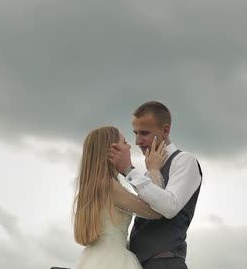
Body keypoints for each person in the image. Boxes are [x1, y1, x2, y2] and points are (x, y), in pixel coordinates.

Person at [108, 101, 203, 269]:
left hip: (164, 262)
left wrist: (129, 170)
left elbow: (169, 208)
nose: (137, 141)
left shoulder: (184, 161)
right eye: (135, 133)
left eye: (144, 133)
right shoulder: (149, 173)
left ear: (165, 130)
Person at [73, 126, 168, 269]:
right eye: (124, 142)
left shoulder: (96, 185)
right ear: (112, 150)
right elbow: (154, 211)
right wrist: (154, 170)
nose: (129, 146)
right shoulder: (108, 186)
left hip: (95, 259)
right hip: (113, 261)